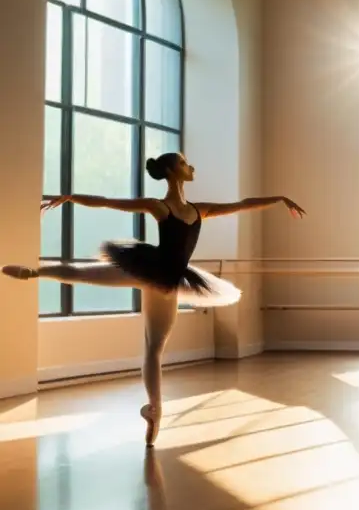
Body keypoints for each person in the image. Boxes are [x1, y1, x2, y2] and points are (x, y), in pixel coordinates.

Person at [2, 151, 305, 445]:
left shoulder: (199, 209)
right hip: (159, 275)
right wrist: (71, 198)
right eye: (185, 163)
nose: (191, 166)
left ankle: (154, 410)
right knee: (145, 341)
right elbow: (110, 203)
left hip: (163, 278)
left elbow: (242, 204)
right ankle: (34, 271)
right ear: (173, 172)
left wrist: (278, 199)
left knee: (149, 343)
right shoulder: (164, 207)